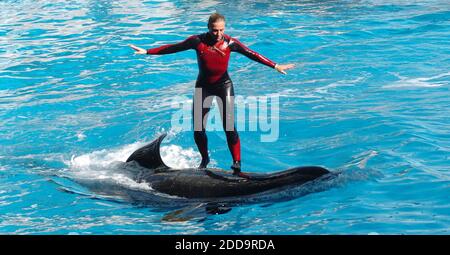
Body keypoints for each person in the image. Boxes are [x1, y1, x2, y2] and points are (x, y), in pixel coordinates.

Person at [129, 13, 295, 177]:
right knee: (198, 129)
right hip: (204, 86)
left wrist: (275, 65)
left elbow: (252, 54)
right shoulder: (197, 41)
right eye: (215, 30)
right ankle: (205, 159)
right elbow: (174, 47)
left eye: (222, 30)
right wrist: (147, 52)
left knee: (229, 127)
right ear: (208, 28)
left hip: (224, 86)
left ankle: (237, 164)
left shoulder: (230, 43)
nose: (219, 34)